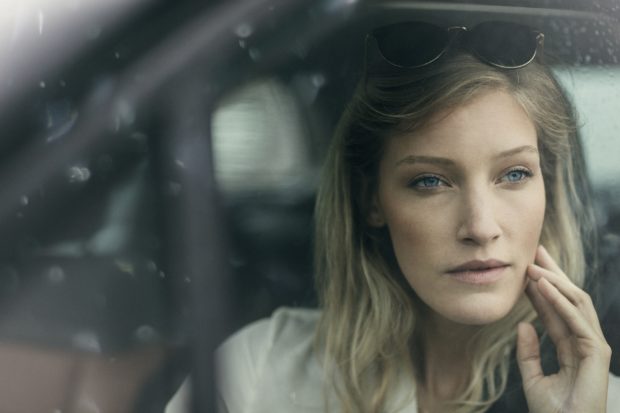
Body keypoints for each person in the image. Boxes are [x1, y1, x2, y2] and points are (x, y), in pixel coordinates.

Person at [166, 20, 620, 413]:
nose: (481, 227)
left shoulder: (600, 400)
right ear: (373, 201)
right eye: (430, 181)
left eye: (515, 174)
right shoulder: (256, 373)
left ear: (548, 190)